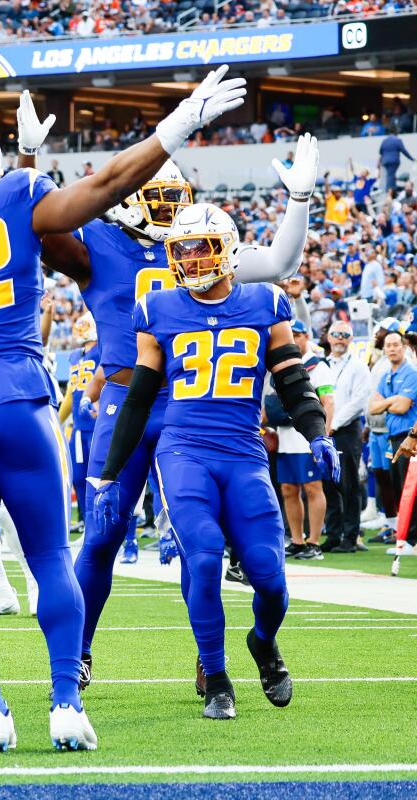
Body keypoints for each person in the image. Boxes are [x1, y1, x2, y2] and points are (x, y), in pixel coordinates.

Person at [0, 68, 249, 751]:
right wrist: (177, 125)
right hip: (16, 393)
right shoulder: (17, 192)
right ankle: (65, 701)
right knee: (47, 557)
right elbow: (96, 194)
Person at [23, 109, 318, 689]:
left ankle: (210, 664)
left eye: (176, 198)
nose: (173, 213)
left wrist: (301, 199)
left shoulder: (203, 245)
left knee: (196, 541)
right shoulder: (99, 242)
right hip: (127, 399)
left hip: (196, 411)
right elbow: (38, 232)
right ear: (129, 199)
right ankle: (78, 651)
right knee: (105, 530)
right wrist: (30, 161)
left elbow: (280, 263)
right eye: (158, 199)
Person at [94, 202, 338, 720]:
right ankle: (217, 677)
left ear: (225, 247)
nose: (187, 258)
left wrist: (318, 432)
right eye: (179, 248)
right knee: (202, 556)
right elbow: (138, 398)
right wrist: (109, 475)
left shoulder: (265, 301)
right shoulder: (158, 307)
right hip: (184, 449)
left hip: (244, 452)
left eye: (197, 246)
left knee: (270, 576)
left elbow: (292, 378)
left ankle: (263, 643)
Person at [275, 320, 335, 560]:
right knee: (289, 489)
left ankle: (314, 541)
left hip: (306, 436)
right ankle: (297, 540)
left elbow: (328, 402)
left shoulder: (318, 366)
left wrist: (323, 435)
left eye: (297, 335)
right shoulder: (278, 363)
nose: (294, 339)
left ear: (305, 336)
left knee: (313, 487)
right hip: (284, 435)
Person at [323, 320, 372, 552]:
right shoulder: (324, 364)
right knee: (328, 484)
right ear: (329, 338)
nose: (340, 338)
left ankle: (350, 536)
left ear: (351, 339)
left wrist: (334, 423)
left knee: (348, 484)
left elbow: (358, 401)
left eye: (345, 334)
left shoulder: (358, 366)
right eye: (336, 334)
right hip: (324, 430)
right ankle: (333, 534)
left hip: (346, 430)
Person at [369, 331, 417, 546]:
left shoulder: (411, 372)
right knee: (398, 487)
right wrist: (393, 400)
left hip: (410, 436)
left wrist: (389, 402)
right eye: (388, 345)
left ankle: (411, 539)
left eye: (396, 344)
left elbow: (403, 406)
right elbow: (373, 408)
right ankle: (405, 536)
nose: (392, 348)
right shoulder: (386, 374)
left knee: (410, 489)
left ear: (404, 347)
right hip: (393, 436)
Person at [61, 314, 99, 531]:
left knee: (99, 477)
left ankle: (109, 529)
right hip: (78, 427)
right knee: (79, 477)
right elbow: (69, 394)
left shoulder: (102, 351)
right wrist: (57, 421)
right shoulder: (75, 355)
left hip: (97, 425)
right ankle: (88, 524)